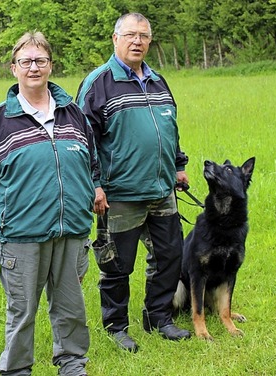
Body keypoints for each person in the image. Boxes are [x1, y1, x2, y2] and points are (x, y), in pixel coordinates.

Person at [0, 31, 106, 376]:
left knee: (71, 309)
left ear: (50, 66)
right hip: (21, 235)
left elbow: (92, 163)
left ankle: (73, 366)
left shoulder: (73, 114)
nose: (33, 68)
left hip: (72, 230)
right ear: (13, 68)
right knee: (22, 312)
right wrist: (4, 215)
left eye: (40, 61)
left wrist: (92, 190)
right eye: (26, 61)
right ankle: (16, 371)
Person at [76, 12, 191, 353]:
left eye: (143, 36)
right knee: (117, 265)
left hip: (161, 189)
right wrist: (94, 184)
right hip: (119, 194)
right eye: (130, 35)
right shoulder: (98, 83)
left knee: (170, 256)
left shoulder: (158, 80)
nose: (137, 41)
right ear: (115, 39)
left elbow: (168, 127)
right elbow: (82, 138)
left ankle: (158, 317)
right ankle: (116, 326)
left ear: (150, 42)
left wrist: (178, 165)